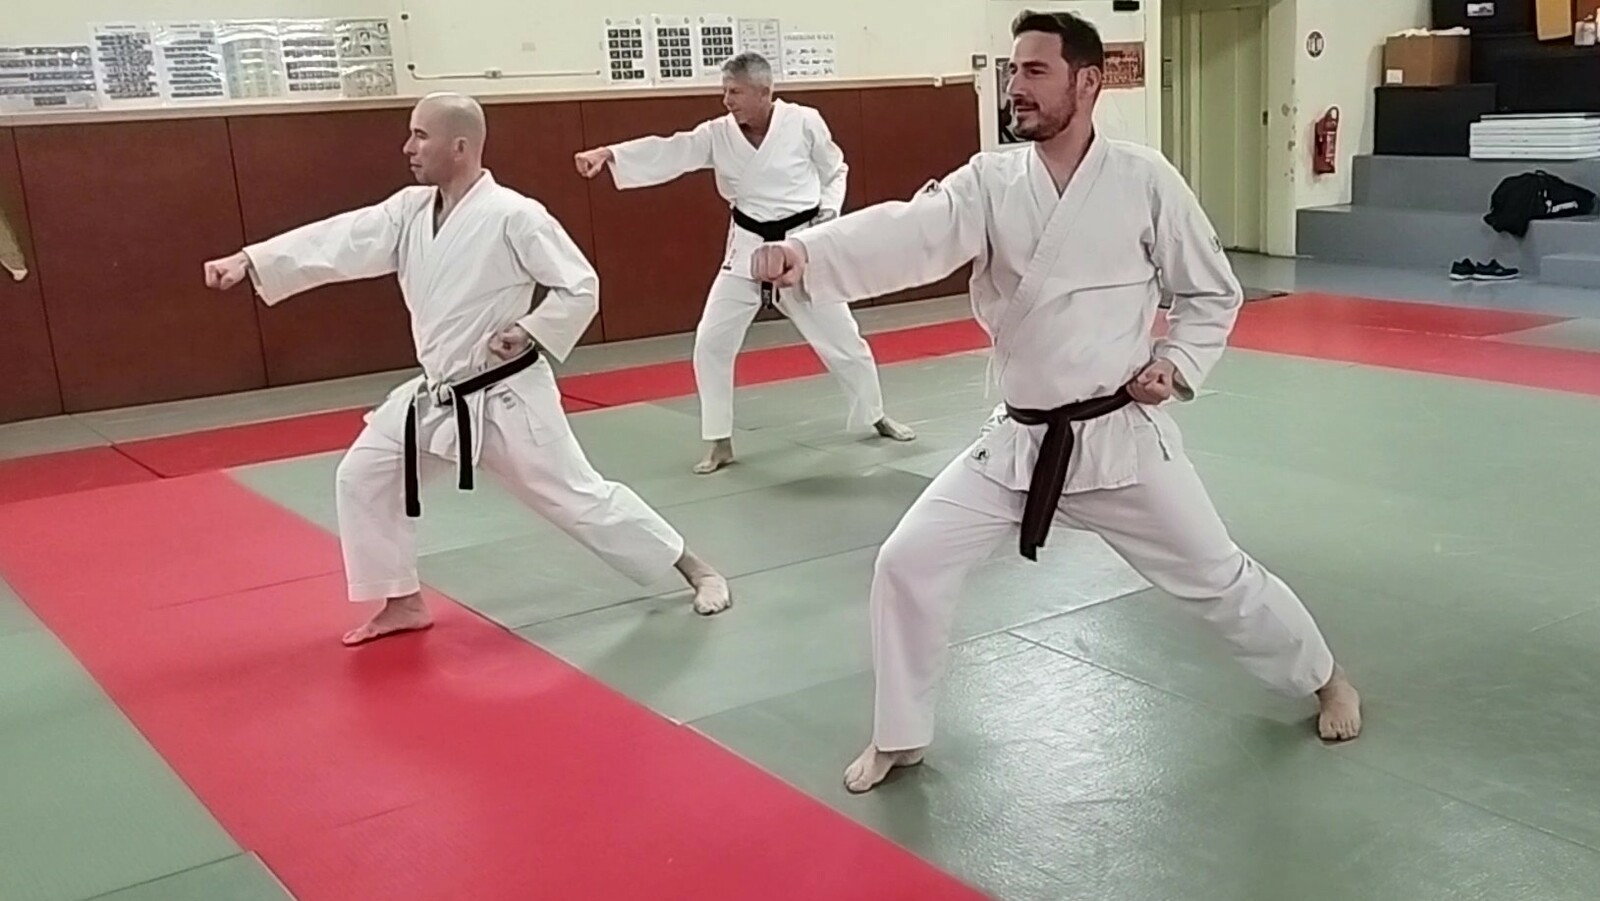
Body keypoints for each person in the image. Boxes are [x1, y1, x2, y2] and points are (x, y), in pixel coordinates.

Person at [751, 11, 1362, 794]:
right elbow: (908, 232)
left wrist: (1174, 364)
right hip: (1020, 442)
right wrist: (806, 253)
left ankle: (1325, 678)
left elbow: (1213, 291)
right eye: (1014, 71)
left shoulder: (1143, 180)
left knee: (1218, 577)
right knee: (907, 560)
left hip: (1117, 439)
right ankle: (899, 732)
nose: (1017, 86)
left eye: (1036, 71)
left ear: (1088, 82)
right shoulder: (990, 182)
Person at [203, 92, 732, 645]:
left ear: (459, 146)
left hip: (506, 397)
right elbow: (342, 237)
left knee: (577, 497)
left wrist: (531, 329)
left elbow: (580, 286)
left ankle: (697, 569)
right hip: (437, 395)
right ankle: (402, 601)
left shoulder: (515, 215)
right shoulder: (409, 211)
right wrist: (252, 259)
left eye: (420, 135)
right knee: (364, 476)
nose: (408, 147)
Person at [574, 52, 916, 475]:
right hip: (747, 249)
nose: (726, 100)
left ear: (764, 92)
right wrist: (609, 154)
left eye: (735, 92)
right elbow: (672, 149)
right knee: (711, 342)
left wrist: (828, 213)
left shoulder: (804, 122)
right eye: (725, 91)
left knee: (844, 339)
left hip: (801, 247)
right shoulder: (718, 134)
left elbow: (836, 170)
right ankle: (719, 440)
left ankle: (874, 414)